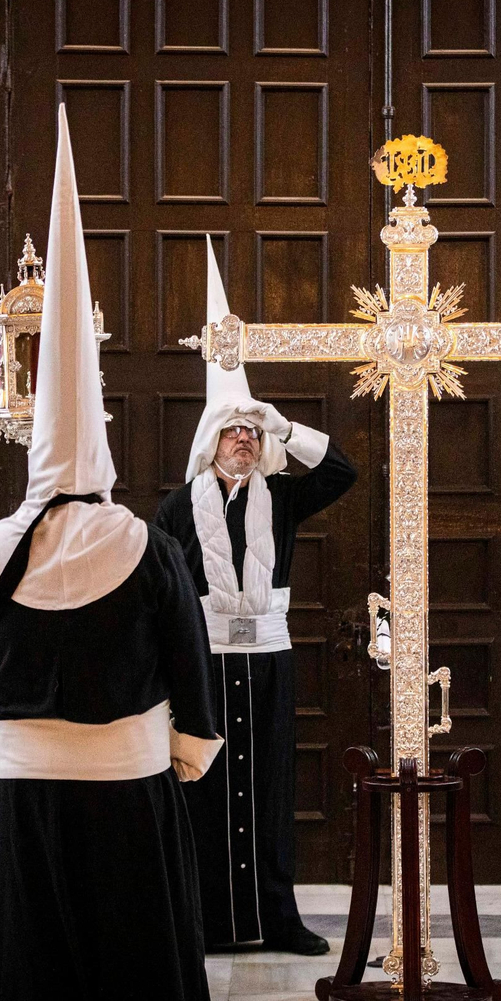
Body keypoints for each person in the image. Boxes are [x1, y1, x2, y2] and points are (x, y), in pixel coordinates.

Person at [0, 107, 222, 1001]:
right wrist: (192, 746)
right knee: (137, 958)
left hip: (28, 791)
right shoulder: (146, 545)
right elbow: (189, 656)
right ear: (99, 455)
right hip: (125, 783)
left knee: (40, 961)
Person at [152, 238, 357, 956]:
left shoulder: (284, 498)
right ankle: (205, 919)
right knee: (202, 787)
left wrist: (283, 426)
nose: (241, 439)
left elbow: (342, 472)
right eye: (231, 431)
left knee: (270, 787)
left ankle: (278, 917)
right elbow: (161, 590)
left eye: (250, 431)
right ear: (209, 443)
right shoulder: (178, 509)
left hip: (268, 660)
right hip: (205, 662)